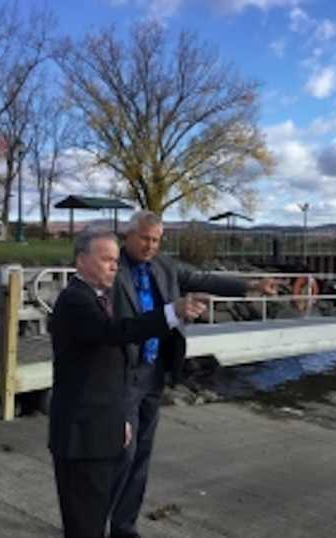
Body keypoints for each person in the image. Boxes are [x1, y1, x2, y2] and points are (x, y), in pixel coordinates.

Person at [107, 210, 277, 537]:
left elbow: (202, 279)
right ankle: (90, 524)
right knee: (120, 456)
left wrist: (251, 285)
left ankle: (124, 528)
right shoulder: (114, 269)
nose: (150, 246)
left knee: (141, 458)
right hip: (122, 373)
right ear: (127, 235)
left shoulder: (164, 266)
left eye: (156, 240)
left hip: (154, 372)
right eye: (145, 238)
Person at [48, 228, 209, 538]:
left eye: (116, 260)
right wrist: (170, 313)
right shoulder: (76, 302)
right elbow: (117, 332)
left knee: (92, 518)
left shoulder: (99, 298)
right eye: (106, 259)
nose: (114, 266)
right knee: (85, 525)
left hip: (100, 427)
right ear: (81, 261)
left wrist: (119, 417)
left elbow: (109, 369)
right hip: (82, 438)